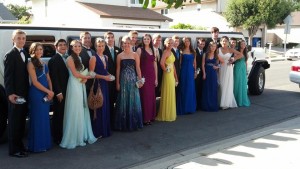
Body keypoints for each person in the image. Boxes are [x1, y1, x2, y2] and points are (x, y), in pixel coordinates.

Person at [60, 40, 97, 149]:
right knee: (75, 109)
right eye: (75, 46)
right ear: (71, 48)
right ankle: (74, 138)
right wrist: (89, 77)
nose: (77, 48)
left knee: (82, 109)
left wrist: (84, 79)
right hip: (74, 85)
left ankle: (82, 134)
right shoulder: (70, 58)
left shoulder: (79, 58)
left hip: (80, 84)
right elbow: (75, 74)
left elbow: (80, 73)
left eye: (79, 46)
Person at [4, 29, 30, 157]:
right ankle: (14, 150)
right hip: (15, 95)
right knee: (14, 123)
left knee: (21, 121)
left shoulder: (24, 52)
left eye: (23, 38)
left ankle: (20, 146)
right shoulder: (10, 54)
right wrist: (10, 94)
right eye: (18, 38)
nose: (21, 40)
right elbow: (7, 77)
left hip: (24, 94)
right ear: (13, 39)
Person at [27, 42, 53, 152]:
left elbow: (48, 79)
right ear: (32, 51)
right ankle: (37, 146)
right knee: (37, 120)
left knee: (44, 119)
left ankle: (45, 144)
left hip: (46, 94)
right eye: (37, 49)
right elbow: (35, 82)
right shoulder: (30, 64)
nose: (39, 51)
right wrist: (48, 91)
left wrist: (51, 91)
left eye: (41, 49)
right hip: (36, 94)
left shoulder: (44, 63)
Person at [114, 36, 143, 131]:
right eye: (124, 43)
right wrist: (117, 83)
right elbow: (118, 69)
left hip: (133, 81)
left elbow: (138, 68)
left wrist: (140, 80)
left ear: (131, 43)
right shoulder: (119, 55)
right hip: (123, 81)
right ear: (122, 44)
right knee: (123, 101)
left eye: (128, 43)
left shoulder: (135, 55)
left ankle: (133, 123)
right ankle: (124, 124)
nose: (126, 45)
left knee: (133, 101)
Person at [89, 38, 113, 138]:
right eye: (99, 46)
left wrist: (110, 75)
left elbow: (105, 70)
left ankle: (104, 130)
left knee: (105, 105)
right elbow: (91, 73)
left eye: (103, 46)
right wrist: (104, 77)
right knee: (99, 105)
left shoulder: (106, 57)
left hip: (105, 84)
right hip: (97, 84)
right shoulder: (93, 58)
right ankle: (98, 131)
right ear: (95, 46)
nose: (101, 48)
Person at [48, 39, 69, 145]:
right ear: (56, 47)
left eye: (64, 45)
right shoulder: (54, 60)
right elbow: (54, 77)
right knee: (58, 114)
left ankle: (62, 134)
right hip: (60, 92)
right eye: (60, 45)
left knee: (64, 113)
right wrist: (58, 92)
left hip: (67, 90)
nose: (63, 47)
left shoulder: (66, 58)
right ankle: (57, 137)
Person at [136, 34, 157, 125]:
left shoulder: (152, 50)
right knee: (144, 97)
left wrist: (156, 78)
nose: (146, 40)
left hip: (151, 76)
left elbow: (155, 64)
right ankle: (145, 118)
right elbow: (136, 64)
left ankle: (150, 117)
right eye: (144, 39)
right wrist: (139, 77)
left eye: (148, 39)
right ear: (142, 40)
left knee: (151, 97)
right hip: (143, 76)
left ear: (150, 40)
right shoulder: (139, 50)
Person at [156, 38, 178, 122]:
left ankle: (170, 113)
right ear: (165, 44)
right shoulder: (165, 52)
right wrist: (166, 70)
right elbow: (161, 63)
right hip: (167, 75)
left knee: (171, 92)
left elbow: (173, 66)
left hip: (171, 75)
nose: (170, 44)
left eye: (172, 43)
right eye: (169, 43)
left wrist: (176, 77)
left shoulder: (171, 52)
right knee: (167, 92)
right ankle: (166, 114)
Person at [218, 36, 242, 109]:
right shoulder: (218, 49)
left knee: (227, 85)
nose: (224, 42)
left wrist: (233, 59)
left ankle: (226, 103)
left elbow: (241, 54)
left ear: (228, 42)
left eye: (225, 41)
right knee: (221, 84)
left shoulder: (230, 49)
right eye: (223, 41)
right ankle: (220, 101)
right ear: (220, 42)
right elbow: (216, 59)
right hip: (221, 68)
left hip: (228, 68)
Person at [103, 31, 121, 126]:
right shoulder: (102, 49)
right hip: (107, 80)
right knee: (109, 102)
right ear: (105, 39)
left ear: (114, 39)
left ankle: (116, 120)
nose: (110, 39)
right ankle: (109, 122)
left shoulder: (118, 49)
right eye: (108, 37)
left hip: (117, 79)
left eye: (111, 37)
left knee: (117, 100)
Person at [176, 37, 196, 115]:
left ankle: (190, 108)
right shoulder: (181, 51)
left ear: (190, 42)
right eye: (185, 41)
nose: (186, 42)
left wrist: (195, 72)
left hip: (191, 71)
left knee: (190, 89)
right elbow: (180, 63)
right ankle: (183, 107)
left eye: (188, 41)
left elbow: (194, 62)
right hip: (184, 71)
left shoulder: (193, 51)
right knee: (184, 88)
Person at [201, 42, 223, 112]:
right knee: (207, 89)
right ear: (209, 47)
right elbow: (203, 64)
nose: (213, 48)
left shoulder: (216, 55)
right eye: (212, 46)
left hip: (213, 73)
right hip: (207, 72)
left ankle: (213, 105)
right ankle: (206, 105)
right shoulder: (205, 54)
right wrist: (204, 73)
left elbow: (222, 62)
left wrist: (217, 67)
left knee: (213, 88)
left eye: (214, 46)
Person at [234, 40, 251, 107]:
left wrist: (246, 71)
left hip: (243, 69)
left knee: (243, 83)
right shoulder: (236, 52)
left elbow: (246, 62)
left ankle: (242, 99)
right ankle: (236, 100)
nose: (243, 45)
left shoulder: (246, 52)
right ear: (239, 45)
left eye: (244, 44)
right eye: (242, 44)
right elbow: (234, 59)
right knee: (237, 83)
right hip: (237, 68)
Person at [195, 38, 205, 110]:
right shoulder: (194, 51)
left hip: (203, 72)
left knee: (202, 88)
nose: (202, 45)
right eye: (201, 44)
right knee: (196, 88)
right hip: (196, 72)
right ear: (198, 44)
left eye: (203, 44)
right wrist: (195, 71)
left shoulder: (205, 52)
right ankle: (196, 105)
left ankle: (200, 105)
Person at [152, 33, 163, 98]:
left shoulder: (160, 51)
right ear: (153, 40)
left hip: (159, 75)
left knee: (157, 92)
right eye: (157, 40)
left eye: (160, 40)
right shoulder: (150, 50)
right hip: (151, 74)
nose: (158, 42)